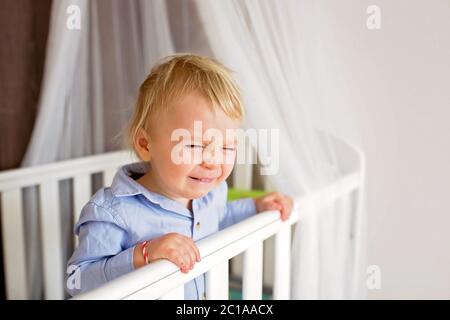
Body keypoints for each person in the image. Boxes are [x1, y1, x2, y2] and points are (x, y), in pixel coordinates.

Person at [66, 54, 293, 299]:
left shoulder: (213, 193)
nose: (213, 161)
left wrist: (256, 207)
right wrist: (144, 254)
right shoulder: (114, 212)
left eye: (227, 147)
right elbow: (77, 281)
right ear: (145, 144)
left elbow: (221, 217)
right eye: (194, 145)